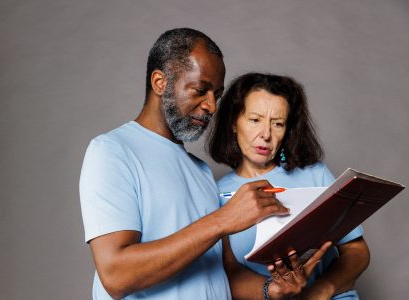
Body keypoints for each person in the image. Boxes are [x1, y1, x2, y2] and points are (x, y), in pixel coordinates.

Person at [79, 28, 331, 300]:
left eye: (217, 94)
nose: (211, 106)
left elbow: (223, 272)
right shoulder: (112, 151)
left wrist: (272, 289)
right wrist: (223, 220)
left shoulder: (200, 171)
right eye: (200, 90)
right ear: (160, 82)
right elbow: (116, 275)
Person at [208, 72, 371, 299]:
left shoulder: (316, 174)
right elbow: (228, 273)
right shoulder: (214, 193)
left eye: (278, 124)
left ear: (287, 130)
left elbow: (357, 251)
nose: (266, 134)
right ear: (234, 123)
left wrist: (319, 292)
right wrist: (273, 291)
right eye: (255, 120)